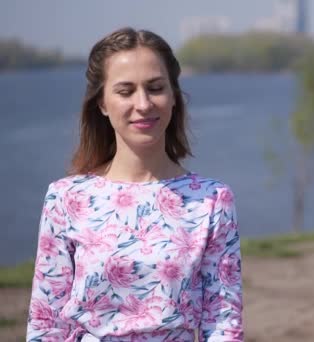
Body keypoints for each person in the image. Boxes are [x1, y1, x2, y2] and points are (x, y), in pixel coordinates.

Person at [26, 27, 243, 342]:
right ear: (101, 103)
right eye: (125, 91)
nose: (143, 104)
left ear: (173, 97)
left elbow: (224, 324)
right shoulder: (66, 198)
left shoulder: (212, 200)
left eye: (155, 88)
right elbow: (46, 325)